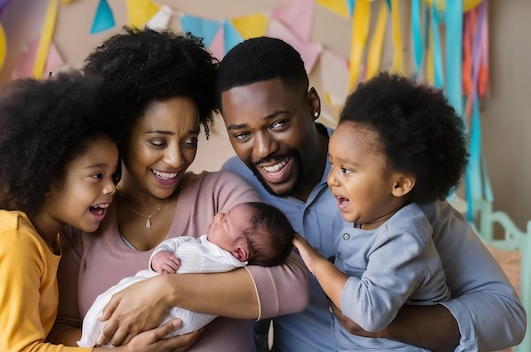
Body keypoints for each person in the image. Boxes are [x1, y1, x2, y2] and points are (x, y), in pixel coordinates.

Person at [216, 36, 526, 351]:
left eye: (279, 124)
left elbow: (507, 315)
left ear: (312, 105)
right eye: (242, 134)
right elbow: (240, 304)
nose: (264, 149)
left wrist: (385, 325)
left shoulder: (388, 169)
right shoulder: (235, 184)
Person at [49, 27, 309, 352]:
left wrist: (167, 290)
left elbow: (294, 286)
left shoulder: (221, 194)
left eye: (190, 141)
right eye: (158, 142)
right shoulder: (86, 219)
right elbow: (60, 331)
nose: (176, 159)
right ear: (120, 133)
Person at [0, 70, 134, 351]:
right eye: (97, 176)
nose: (111, 188)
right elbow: (24, 349)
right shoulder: (14, 242)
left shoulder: (50, 238)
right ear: (47, 179)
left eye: (114, 176)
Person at [292, 72, 469, 350]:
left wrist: (316, 264)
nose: (331, 179)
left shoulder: (404, 237)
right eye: (333, 165)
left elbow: (368, 314)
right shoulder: (364, 219)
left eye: (347, 170)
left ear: (399, 184)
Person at [78, 201, 295, 347]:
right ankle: (91, 342)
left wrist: (168, 290)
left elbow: (287, 283)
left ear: (239, 253)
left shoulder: (230, 264)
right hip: (134, 294)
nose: (218, 216)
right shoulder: (202, 243)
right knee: (108, 309)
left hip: (173, 324)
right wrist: (159, 257)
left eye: (226, 221)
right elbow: (175, 244)